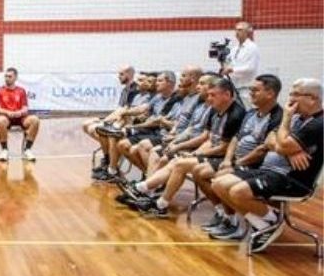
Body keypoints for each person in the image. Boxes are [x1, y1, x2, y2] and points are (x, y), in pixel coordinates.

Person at [211, 78, 323, 253]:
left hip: (292, 178)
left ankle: (271, 221)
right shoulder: (297, 117)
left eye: (296, 94)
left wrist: (285, 123)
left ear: (312, 98)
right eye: (291, 93)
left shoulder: (318, 123)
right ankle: (266, 223)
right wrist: (289, 150)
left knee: (237, 192)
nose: (290, 99)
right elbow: (270, 139)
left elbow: (281, 144)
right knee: (218, 183)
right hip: (267, 171)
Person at [130, 78, 246, 218]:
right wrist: (195, 153)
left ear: (226, 95)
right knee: (176, 161)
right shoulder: (215, 110)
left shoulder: (236, 115)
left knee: (180, 164)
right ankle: (144, 189)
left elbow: (223, 147)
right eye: (209, 94)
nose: (209, 98)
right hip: (211, 153)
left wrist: (195, 154)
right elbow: (208, 138)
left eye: (213, 95)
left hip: (226, 157)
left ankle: (156, 201)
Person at [196, 75, 284, 241]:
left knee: (219, 180)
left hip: (256, 165)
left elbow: (263, 149)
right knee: (210, 177)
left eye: (255, 90)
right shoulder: (251, 113)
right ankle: (244, 222)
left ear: (270, 93)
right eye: (250, 89)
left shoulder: (278, 117)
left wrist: (237, 163)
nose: (250, 93)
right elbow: (236, 138)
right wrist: (228, 160)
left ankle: (242, 222)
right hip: (238, 161)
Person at [84, 65, 140, 176]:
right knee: (86, 125)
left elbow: (125, 112)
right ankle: (109, 156)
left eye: (121, 74)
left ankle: (110, 162)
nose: (118, 76)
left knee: (101, 130)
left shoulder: (134, 90)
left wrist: (105, 121)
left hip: (127, 123)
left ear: (129, 74)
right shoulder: (125, 89)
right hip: (120, 120)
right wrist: (104, 119)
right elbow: (119, 109)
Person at [0, 67, 41, 162]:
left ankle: (27, 149)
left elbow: (25, 108)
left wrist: (19, 112)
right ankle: (4, 150)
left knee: (35, 120)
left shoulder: (21, 91)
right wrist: (8, 112)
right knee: (0, 120)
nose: (7, 78)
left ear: (15, 77)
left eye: (10, 76)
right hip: (6, 117)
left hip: (20, 118)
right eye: (6, 76)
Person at [221, 21, 260, 106]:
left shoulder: (252, 47)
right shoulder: (234, 49)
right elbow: (230, 64)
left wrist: (232, 69)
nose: (237, 32)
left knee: (247, 110)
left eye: (240, 30)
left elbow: (251, 67)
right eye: (236, 30)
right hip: (233, 87)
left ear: (247, 32)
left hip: (246, 88)